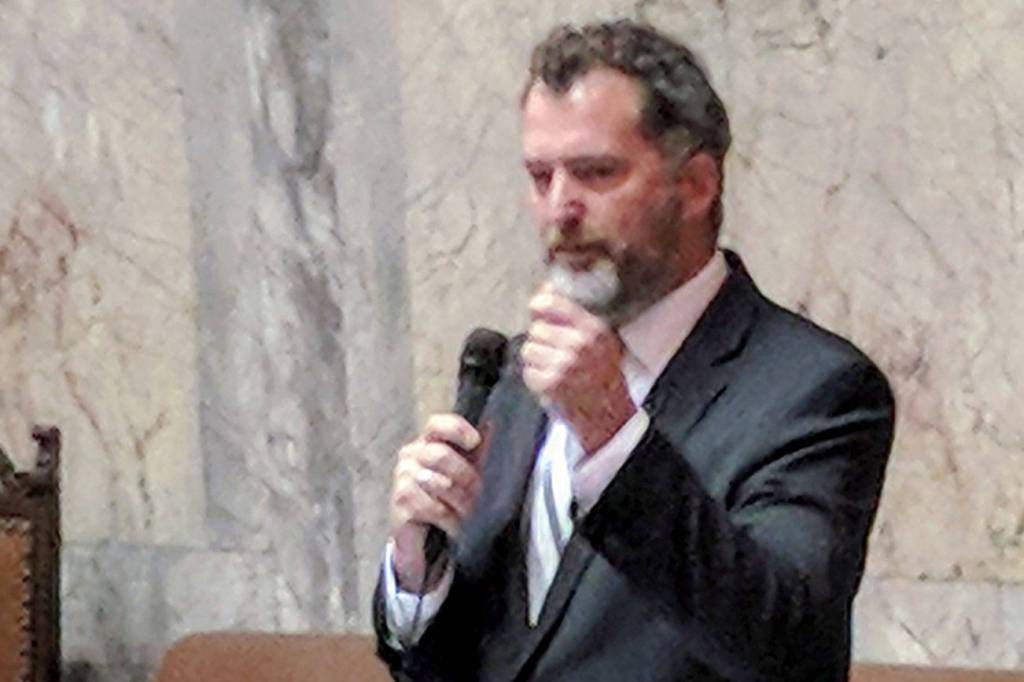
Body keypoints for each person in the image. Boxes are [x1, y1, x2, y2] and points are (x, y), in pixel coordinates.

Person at [373, 18, 895, 682]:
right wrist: (416, 569)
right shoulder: (516, 377)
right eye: (539, 176)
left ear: (696, 184)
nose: (560, 208)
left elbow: (786, 645)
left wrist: (612, 435)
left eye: (595, 173)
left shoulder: (816, 391)